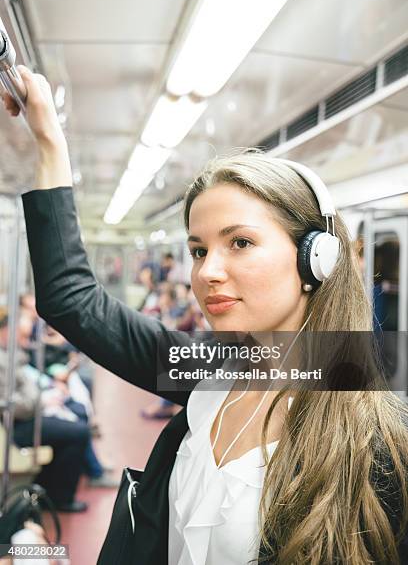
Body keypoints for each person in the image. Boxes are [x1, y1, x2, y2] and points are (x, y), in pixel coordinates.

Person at [3, 66, 408, 564]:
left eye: (240, 242)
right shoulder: (210, 371)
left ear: (315, 258)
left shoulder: (377, 440)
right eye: (198, 250)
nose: (208, 272)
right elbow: (73, 300)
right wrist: (48, 142)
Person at [0, 310, 89, 512]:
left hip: (27, 415)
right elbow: (17, 406)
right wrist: (40, 399)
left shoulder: (9, 354)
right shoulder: (2, 360)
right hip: (17, 426)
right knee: (78, 432)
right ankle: (61, 498)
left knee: (75, 417)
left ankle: (48, 490)